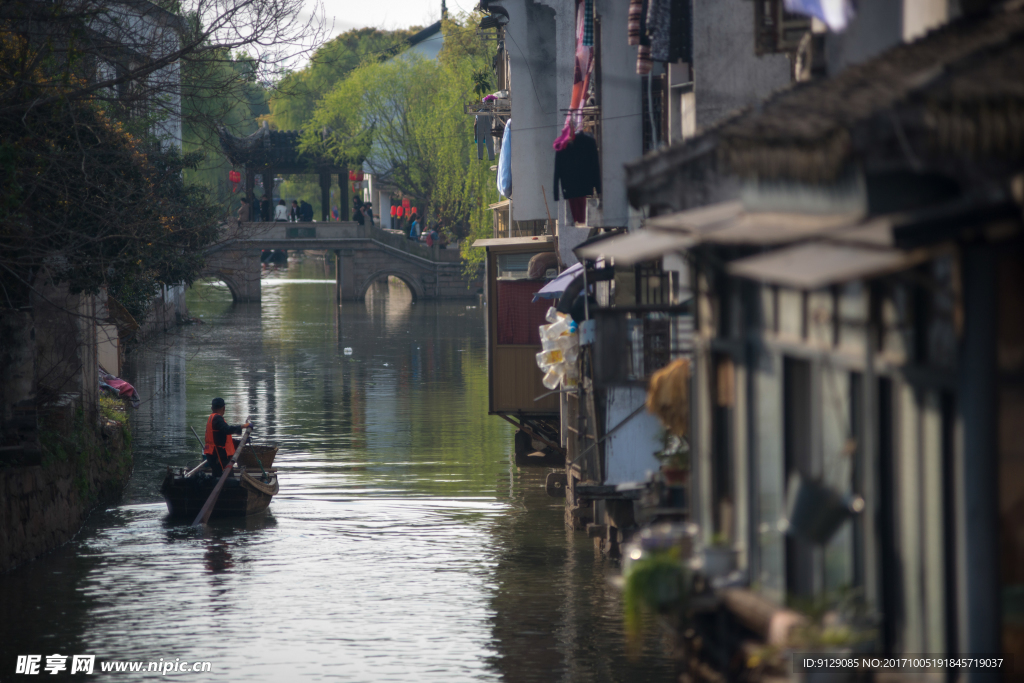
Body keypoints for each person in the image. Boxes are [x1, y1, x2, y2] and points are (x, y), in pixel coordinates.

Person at [203, 398, 252, 478]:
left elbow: (223, 440)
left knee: (217, 477)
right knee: (227, 479)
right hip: (219, 457)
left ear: (212, 408)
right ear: (224, 408)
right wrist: (243, 426)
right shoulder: (217, 418)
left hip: (213, 456)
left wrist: (242, 442)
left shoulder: (211, 418)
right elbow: (227, 430)